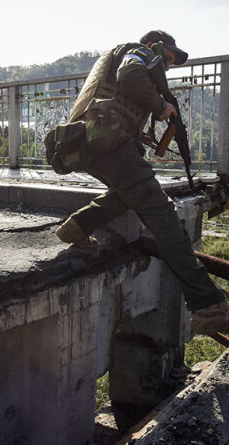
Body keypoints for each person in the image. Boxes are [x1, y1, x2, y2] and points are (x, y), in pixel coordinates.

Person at [53, 30, 228, 335]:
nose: (168, 66)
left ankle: (78, 227)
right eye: (168, 58)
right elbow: (130, 76)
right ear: (153, 46)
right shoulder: (140, 52)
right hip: (111, 142)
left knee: (128, 194)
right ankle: (208, 305)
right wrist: (161, 106)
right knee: (163, 214)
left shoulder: (128, 56)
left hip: (95, 141)